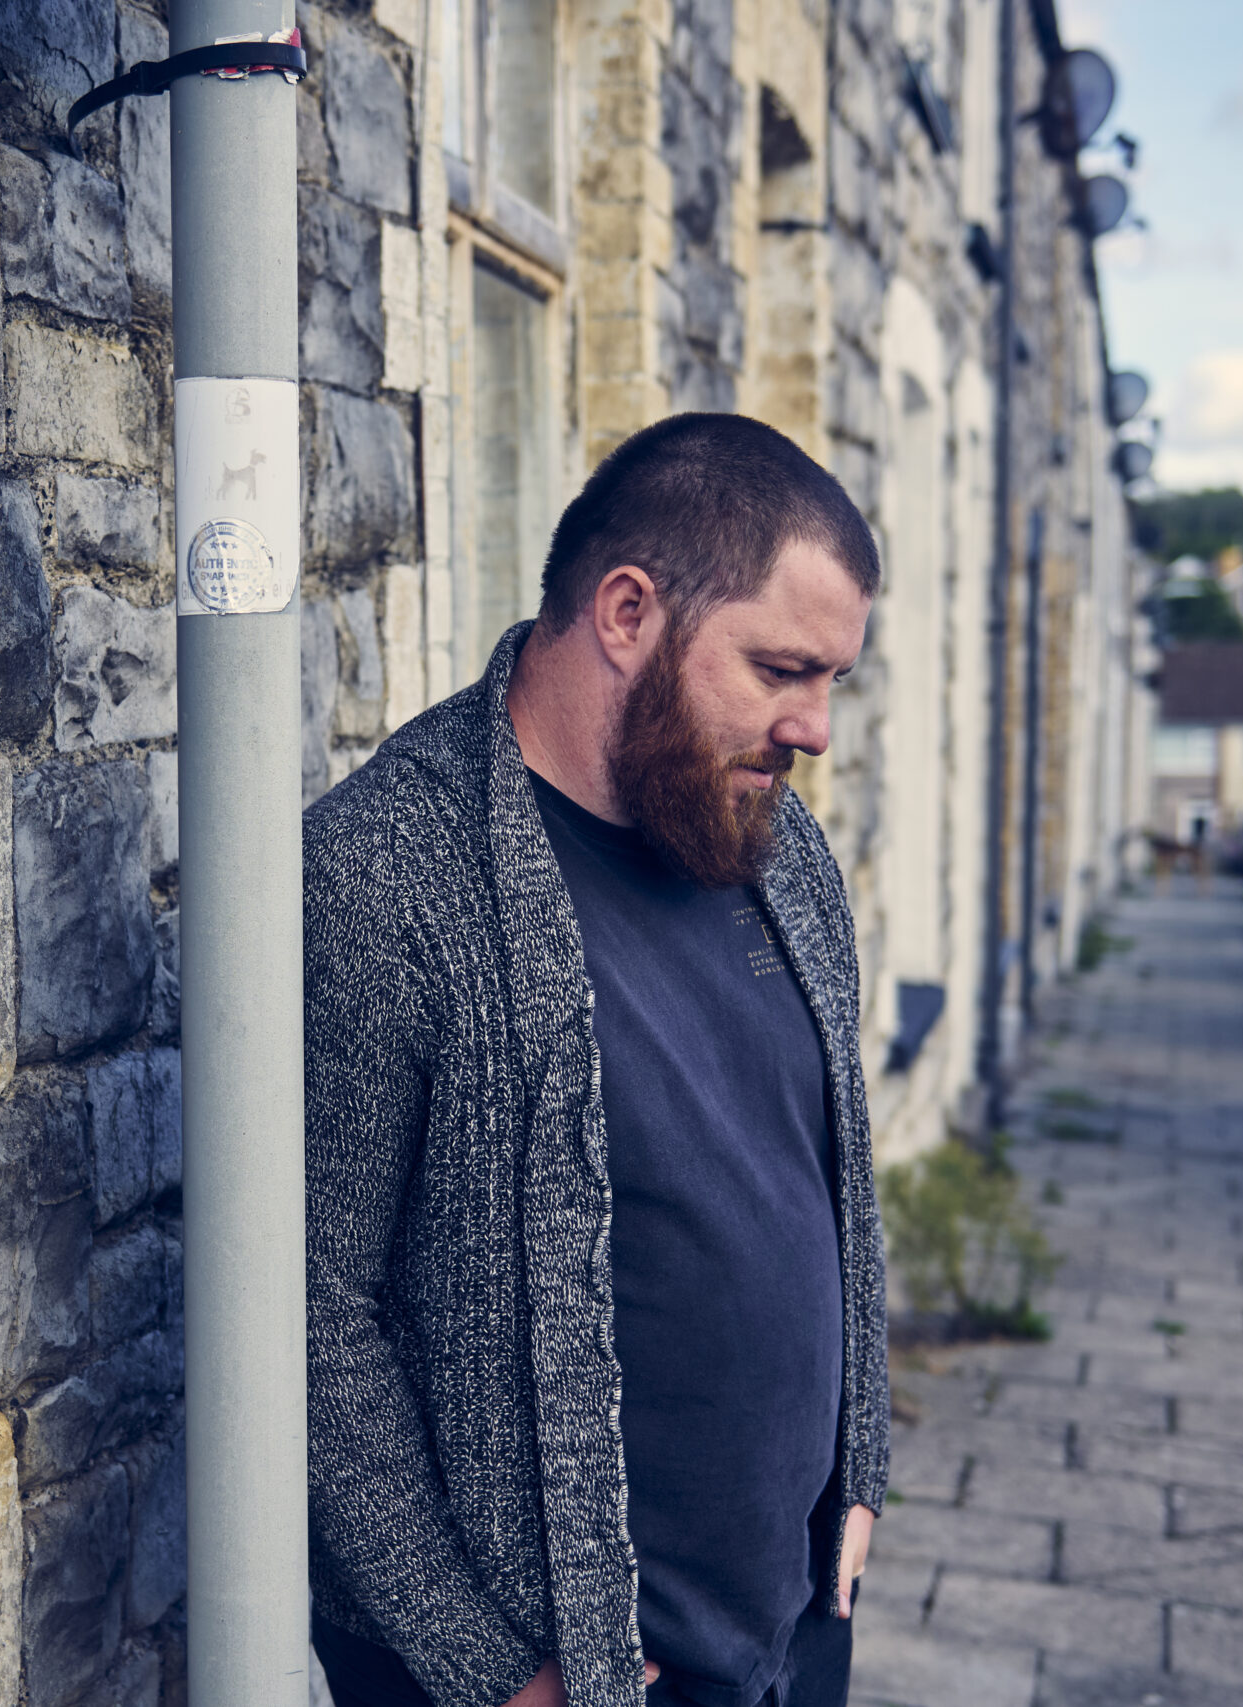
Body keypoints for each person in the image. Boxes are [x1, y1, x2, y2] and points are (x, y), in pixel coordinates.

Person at [304, 414, 889, 1707]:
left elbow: (830, 1179)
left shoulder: (777, 850)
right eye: (781, 669)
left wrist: (860, 1466)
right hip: (548, 1675)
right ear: (628, 612)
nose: (813, 729)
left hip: (792, 1627)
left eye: (832, 680)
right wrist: (488, 1669)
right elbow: (302, 1311)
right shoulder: (384, 877)